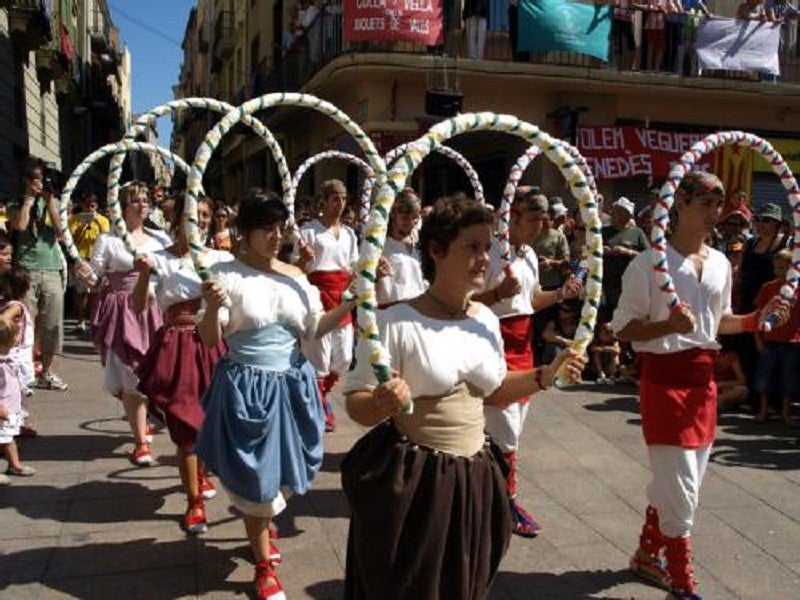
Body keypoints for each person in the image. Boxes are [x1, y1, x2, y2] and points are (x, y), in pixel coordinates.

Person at [341, 196, 585, 599]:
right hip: (417, 483)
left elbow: (494, 389)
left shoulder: (486, 320)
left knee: (464, 582)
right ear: (437, 250)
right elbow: (356, 401)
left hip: (475, 477)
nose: (483, 259)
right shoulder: (396, 322)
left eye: (486, 247)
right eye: (471, 247)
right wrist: (381, 402)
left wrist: (544, 375)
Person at [610, 171, 788, 600]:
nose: (717, 212)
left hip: (703, 384)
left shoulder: (722, 262)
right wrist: (666, 325)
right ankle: (682, 581)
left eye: (719, 202)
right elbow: (621, 330)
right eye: (707, 202)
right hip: (664, 381)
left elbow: (719, 322)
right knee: (683, 493)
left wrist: (755, 320)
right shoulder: (648, 262)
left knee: (677, 485)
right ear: (681, 204)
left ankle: (646, 556)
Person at [196, 191, 356, 600]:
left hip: (292, 385)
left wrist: (353, 300)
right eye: (266, 228)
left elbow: (314, 328)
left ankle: (263, 529)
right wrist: (213, 308)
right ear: (244, 232)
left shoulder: (295, 276)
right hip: (247, 389)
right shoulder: (224, 273)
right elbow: (209, 338)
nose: (275, 235)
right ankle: (264, 566)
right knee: (256, 481)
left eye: (279, 227)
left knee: (281, 475)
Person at [473, 189, 581, 538]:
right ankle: (506, 502)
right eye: (534, 218)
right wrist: (495, 294)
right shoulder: (487, 254)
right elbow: (460, 301)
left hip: (524, 347)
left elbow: (531, 300)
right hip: (492, 346)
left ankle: (489, 496)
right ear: (513, 216)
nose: (541, 225)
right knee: (505, 436)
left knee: (511, 432)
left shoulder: (530, 255)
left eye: (543, 218)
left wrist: (560, 294)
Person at [132, 194, 233, 534]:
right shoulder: (159, 259)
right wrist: (144, 275)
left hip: (214, 342)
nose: (201, 220)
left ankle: (200, 474)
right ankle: (194, 501)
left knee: (210, 420)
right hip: (178, 346)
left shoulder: (219, 257)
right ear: (177, 220)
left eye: (205, 215)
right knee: (187, 427)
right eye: (194, 215)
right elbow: (137, 306)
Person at [86, 182, 172, 466]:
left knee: (154, 374)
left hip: (153, 309)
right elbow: (95, 277)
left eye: (146, 199)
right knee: (130, 374)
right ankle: (140, 442)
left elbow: (171, 272)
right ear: (123, 206)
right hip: (122, 310)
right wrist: (86, 274)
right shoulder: (108, 240)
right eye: (136, 199)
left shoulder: (159, 239)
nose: (143, 204)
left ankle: (142, 421)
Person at [295, 179, 358, 432]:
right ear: (324, 200)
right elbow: (297, 268)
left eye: (343, 199)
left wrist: (354, 291)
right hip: (318, 297)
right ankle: (318, 404)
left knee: (343, 358)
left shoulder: (350, 233)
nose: (340, 204)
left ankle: (321, 396)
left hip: (342, 298)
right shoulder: (309, 231)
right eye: (335, 198)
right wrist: (303, 259)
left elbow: (353, 268)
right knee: (317, 358)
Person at [7, 164, 67, 391]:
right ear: (26, 180)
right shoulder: (16, 202)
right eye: (35, 179)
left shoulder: (54, 203)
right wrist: (29, 200)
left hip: (51, 269)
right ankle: (20, 375)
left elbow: (61, 233)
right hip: (26, 269)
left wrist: (50, 201)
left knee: (52, 324)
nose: (40, 184)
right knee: (23, 324)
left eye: (43, 180)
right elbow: (21, 225)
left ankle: (48, 372)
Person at [752, 248, 800, 425]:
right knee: (764, 378)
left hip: (791, 342)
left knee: (789, 379)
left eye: (783, 268)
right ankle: (763, 411)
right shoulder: (768, 288)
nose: (779, 272)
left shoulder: (797, 290)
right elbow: (757, 315)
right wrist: (758, 339)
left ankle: (786, 413)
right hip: (770, 341)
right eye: (776, 268)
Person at [0, 305, 35, 485]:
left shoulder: (8, 355)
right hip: (2, 409)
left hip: (10, 407)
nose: (16, 340)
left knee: (9, 439)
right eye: (13, 338)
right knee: (3, 440)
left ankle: (15, 465)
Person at [374, 188, 425, 307]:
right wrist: (375, 275)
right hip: (390, 311)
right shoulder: (380, 244)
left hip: (418, 309)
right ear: (393, 215)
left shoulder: (419, 241)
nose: (411, 223)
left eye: (414, 218)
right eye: (405, 218)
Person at [67, 193, 110, 333]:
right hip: (81, 258)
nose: (89, 208)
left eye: (92, 205)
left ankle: (94, 321)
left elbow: (106, 238)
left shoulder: (103, 220)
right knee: (81, 292)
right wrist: (81, 226)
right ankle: (80, 322)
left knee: (95, 293)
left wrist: (96, 223)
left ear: (96, 206)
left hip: (97, 260)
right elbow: (70, 239)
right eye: (87, 205)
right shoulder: (75, 219)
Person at [601, 196, 649, 320]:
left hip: (629, 281)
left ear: (626, 215)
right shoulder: (603, 232)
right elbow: (591, 250)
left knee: (626, 314)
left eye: (616, 212)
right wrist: (602, 250)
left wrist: (627, 252)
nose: (612, 214)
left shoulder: (637, 233)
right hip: (607, 282)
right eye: (612, 211)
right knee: (608, 314)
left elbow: (647, 256)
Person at [713, 335, 748, 409]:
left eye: (718, 339)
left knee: (743, 391)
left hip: (725, 389)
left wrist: (720, 384)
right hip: (710, 389)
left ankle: (717, 401)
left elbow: (742, 381)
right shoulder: (706, 356)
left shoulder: (731, 356)